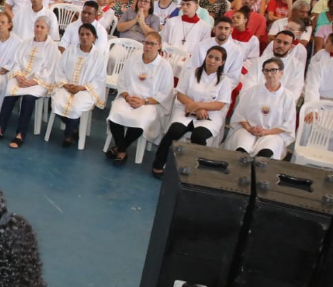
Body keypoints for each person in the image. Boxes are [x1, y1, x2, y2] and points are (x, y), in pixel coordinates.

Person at [152, 45, 233, 176]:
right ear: (205, 57)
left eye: (217, 59)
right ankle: (158, 164)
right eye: (210, 56)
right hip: (185, 110)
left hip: (210, 115)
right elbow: (180, 94)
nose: (212, 61)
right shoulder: (191, 73)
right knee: (174, 131)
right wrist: (196, 107)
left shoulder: (225, 81)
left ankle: (194, 171)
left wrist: (198, 107)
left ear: (222, 62)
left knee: (199, 136)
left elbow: (219, 105)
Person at [106, 32, 174, 163]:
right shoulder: (133, 59)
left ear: (159, 46)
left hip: (150, 103)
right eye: (146, 43)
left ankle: (120, 149)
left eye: (152, 44)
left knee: (141, 120)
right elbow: (121, 81)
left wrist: (145, 101)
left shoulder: (164, 66)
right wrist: (126, 97)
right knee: (115, 114)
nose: (148, 46)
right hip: (129, 97)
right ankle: (122, 149)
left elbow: (165, 92)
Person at [0, 18, 60, 148]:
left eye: (42, 27)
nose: (38, 29)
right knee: (9, 96)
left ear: (48, 30)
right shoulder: (26, 42)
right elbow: (17, 61)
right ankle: (0, 129)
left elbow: (50, 70)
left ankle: (20, 134)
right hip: (21, 78)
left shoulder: (52, 47)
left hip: (39, 82)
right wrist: (18, 75)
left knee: (28, 99)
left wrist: (34, 81)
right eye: (37, 26)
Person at [225, 57, 296, 159]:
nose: (269, 74)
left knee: (265, 154)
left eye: (273, 70)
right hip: (249, 130)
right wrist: (249, 128)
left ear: (281, 73)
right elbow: (240, 114)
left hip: (273, 134)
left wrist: (266, 132)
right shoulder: (252, 91)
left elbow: (288, 124)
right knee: (242, 151)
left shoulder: (288, 96)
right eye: (266, 70)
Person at [51, 22, 107, 147]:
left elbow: (100, 78)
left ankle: (68, 135)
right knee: (57, 103)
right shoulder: (70, 50)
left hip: (85, 90)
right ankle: (74, 128)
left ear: (94, 37)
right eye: (82, 34)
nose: (84, 37)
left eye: (88, 34)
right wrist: (65, 84)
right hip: (66, 86)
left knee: (75, 107)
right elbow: (59, 69)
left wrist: (83, 87)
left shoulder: (99, 56)